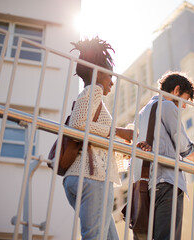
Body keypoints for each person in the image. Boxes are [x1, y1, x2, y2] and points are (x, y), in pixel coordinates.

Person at [63, 37, 133, 240]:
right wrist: (118, 131)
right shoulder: (94, 90)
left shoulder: (90, 95)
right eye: (110, 75)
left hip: (81, 176)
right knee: (94, 237)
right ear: (99, 73)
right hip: (92, 176)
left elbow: (94, 135)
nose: (112, 81)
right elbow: (78, 125)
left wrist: (126, 143)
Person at [133, 71, 194, 240]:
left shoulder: (142, 113)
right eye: (185, 100)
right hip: (166, 182)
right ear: (176, 90)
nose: (183, 107)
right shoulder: (168, 106)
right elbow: (183, 146)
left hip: (145, 186)